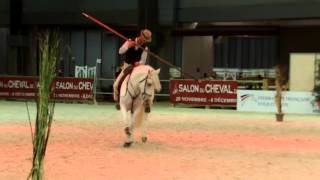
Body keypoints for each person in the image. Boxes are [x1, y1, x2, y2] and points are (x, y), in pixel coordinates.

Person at [113, 29, 152, 110]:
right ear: (141, 35)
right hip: (127, 66)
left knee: (146, 82)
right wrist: (128, 46)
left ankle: (146, 102)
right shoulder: (129, 41)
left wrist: (139, 63)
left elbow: (143, 60)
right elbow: (120, 51)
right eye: (145, 39)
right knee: (116, 84)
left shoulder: (145, 48)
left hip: (137, 68)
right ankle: (118, 100)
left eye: (146, 40)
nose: (145, 41)